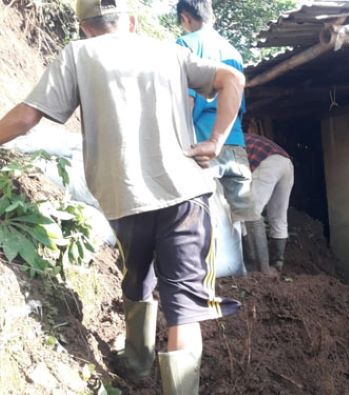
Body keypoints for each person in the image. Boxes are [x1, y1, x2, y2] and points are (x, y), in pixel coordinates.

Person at [0, 1, 245, 393]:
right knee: (183, 312)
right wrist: (215, 141)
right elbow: (232, 79)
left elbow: (28, 117)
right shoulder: (169, 51)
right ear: (131, 22)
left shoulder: (78, 54)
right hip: (184, 196)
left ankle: (136, 362)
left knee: (138, 278)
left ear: (84, 28)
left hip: (124, 198)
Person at [175, 0, 255, 222]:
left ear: (185, 17)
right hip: (235, 142)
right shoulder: (234, 52)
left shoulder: (184, 44)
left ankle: (204, 258)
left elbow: (187, 99)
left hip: (202, 143)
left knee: (199, 210)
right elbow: (239, 105)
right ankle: (263, 259)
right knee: (247, 213)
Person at [242, 128, 294, 274]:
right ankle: (277, 264)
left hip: (266, 163)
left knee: (250, 213)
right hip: (286, 162)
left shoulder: (225, 142)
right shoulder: (242, 136)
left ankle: (261, 270)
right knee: (279, 217)